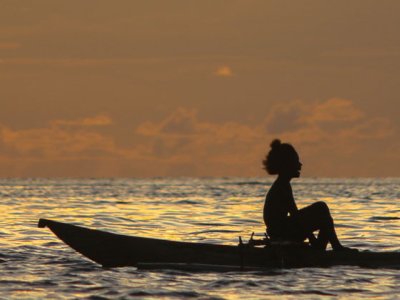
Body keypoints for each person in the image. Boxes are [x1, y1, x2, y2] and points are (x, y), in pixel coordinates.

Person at [262, 139, 356, 251]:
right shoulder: (282, 187)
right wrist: (311, 238)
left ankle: (326, 248)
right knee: (321, 208)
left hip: (283, 230)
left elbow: (295, 217)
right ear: (287, 165)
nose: (300, 165)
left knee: (321, 209)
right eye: (296, 161)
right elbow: (295, 216)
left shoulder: (282, 184)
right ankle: (333, 248)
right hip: (282, 233)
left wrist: (311, 237)